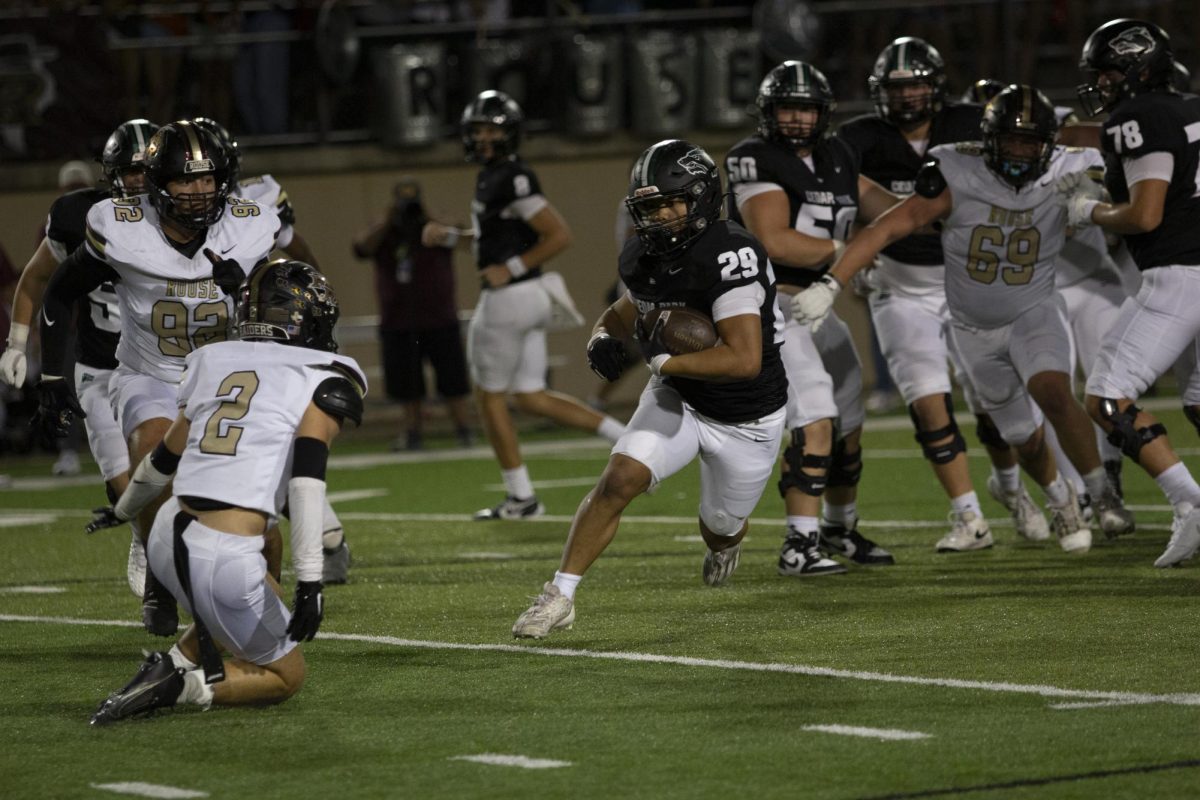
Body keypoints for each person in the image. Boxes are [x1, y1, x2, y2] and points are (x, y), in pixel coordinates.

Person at [795, 84, 1136, 553]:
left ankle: (1102, 494)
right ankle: (1060, 498)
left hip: (1034, 308)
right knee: (1022, 436)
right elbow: (889, 225)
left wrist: (1100, 199)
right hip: (973, 325)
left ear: (1048, 144)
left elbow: (1142, 163)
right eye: (1010, 142)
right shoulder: (956, 170)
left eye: (1030, 143)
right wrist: (833, 282)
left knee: (1055, 392)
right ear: (990, 141)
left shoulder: (1069, 166)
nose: (1019, 152)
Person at [511, 139, 788, 639]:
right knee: (619, 480)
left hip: (749, 416)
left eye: (669, 203)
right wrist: (600, 337)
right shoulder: (645, 254)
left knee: (720, 527)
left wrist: (662, 359)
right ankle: (560, 595)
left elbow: (743, 360)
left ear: (702, 198)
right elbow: (624, 311)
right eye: (648, 207)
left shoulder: (731, 254)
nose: (658, 217)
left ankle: (725, 544)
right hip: (680, 396)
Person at [84, 259, 364, 725]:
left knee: (264, 567)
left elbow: (161, 461)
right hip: (223, 555)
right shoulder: (324, 373)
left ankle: (172, 662)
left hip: (166, 534)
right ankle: (180, 686)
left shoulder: (214, 359)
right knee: (285, 676)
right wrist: (312, 580)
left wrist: (124, 509)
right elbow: (307, 481)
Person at [34, 120, 279, 637]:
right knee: (152, 451)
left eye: (207, 179)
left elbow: (289, 302)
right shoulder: (122, 227)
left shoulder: (252, 225)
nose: (197, 192)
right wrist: (53, 374)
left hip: (224, 379)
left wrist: (255, 288)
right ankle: (160, 582)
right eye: (184, 181)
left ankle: (263, 619)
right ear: (157, 183)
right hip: (151, 373)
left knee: (258, 514)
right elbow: (59, 290)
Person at [835, 37, 1047, 551]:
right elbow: (834, 200)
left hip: (967, 284)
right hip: (900, 288)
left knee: (995, 403)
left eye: (916, 85)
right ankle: (969, 517)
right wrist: (847, 253)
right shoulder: (857, 138)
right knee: (929, 404)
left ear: (936, 87)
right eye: (897, 87)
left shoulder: (971, 124)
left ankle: (1014, 492)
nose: (907, 96)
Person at [725, 60, 901, 575]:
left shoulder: (838, 155)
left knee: (849, 422)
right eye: (788, 107)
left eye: (806, 108)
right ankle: (797, 545)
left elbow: (892, 213)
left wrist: (930, 204)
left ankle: (838, 528)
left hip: (818, 304)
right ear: (768, 112)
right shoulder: (753, 157)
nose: (798, 119)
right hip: (771, 305)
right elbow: (773, 239)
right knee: (816, 415)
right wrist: (848, 255)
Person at [422, 90, 625, 520]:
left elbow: (557, 234)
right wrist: (452, 238)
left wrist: (510, 269)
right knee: (530, 396)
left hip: (509, 300)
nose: (483, 138)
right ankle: (625, 437)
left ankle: (521, 497)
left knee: (488, 397)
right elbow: (497, 241)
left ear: (510, 134)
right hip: (529, 297)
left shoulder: (511, 176)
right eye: (478, 130)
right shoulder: (495, 175)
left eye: (491, 129)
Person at [1063, 19, 1200, 566]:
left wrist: (1089, 209)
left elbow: (1145, 215)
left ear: (1138, 69)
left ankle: (1189, 503)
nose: (1102, 85)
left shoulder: (1136, 117)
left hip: (1178, 275)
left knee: (1106, 398)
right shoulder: (1189, 107)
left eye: (1108, 74)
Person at [1, 119, 158, 596]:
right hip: (100, 365)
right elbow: (34, 280)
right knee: (120, 481)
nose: (139, 180)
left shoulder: (185, 218)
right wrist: (15, 340)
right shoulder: (81, 217)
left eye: (147, 169)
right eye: (130, 171)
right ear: (109, 174)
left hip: (161, 366)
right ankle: (142, 538)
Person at [191, 116, 351, 582]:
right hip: (208, 337)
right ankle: (324, 537)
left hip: (259, 330)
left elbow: (294, 252)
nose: (201, 186)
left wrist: (315, 304)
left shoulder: (255, 201)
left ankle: (315, 543)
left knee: (273, 438)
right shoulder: (166, 217)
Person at [352, 177, 473, 450]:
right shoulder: (384, 232)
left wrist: (429, 216)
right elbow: (360, 247)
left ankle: (464, 430)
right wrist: (386, 220)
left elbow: (461, 232)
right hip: (398, 321)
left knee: (453, 381)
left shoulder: (435, 228)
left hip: (440, 318)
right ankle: (413, 432)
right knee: (406, 385)